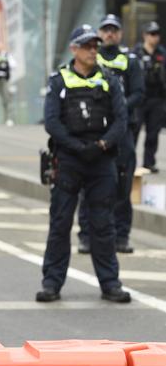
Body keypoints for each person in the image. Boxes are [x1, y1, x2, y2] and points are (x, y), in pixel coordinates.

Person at [37, 24, 130, 304]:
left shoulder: (109, 80)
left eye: (95, 46)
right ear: (74, 49)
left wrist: (101, 145)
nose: (93, 50)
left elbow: (121, 120)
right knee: (60, 222)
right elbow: (52, 121)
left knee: (103, 225)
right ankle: (51, 283)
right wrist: (77, 147)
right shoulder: (59, 80)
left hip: (101, 160)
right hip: (69, 159)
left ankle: (110, 283)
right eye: (87, 46)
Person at [77, 14, 143, 255]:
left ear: (120, 33)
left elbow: (139, 93)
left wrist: (118, 106)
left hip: (124, 131)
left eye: (113, 30)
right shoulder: (92, 59)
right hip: (96, 130)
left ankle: (121, 236)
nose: (109, 34)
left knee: (123, 186)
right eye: (105, 30)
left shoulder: (130, 60)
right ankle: (86, 236)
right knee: (89, 184)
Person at [133, 21, 166, 173]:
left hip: (157, 98)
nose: (155, 37)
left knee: (153, 133)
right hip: (140, 98)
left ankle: (149, 162)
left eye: (157, 34)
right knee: (134, 130)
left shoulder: (162, 53)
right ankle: (129, 161)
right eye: (152, 34)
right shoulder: (137, 53)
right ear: (145, 35)